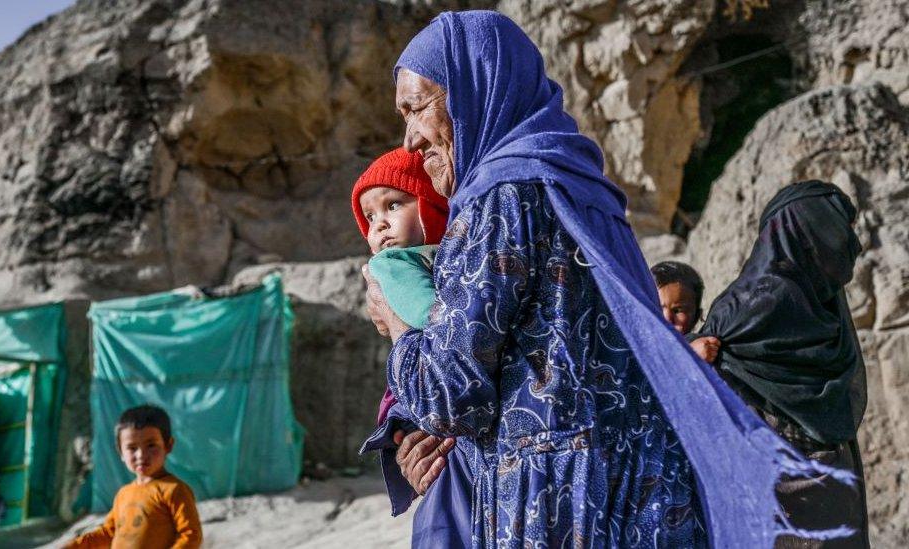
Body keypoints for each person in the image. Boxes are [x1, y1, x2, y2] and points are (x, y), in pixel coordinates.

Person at [362, 11, 858, 548]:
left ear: (473, 88)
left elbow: (450, 394)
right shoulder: (581, 187)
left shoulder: (499, 198)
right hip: (645, 495)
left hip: (557, 502)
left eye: (416, 109)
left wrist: (399, 327)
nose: (410, 140)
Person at [691, 181, 870, 548]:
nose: (854, 243)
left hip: (833, 489)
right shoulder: (745, 309)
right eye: (842, 227)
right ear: (811, 229)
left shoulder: (825, 304)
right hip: (774, 493)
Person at [351, 147, 474, 547]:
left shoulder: (443, 252)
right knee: (445, 495)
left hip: (433, 396)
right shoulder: (395, 263)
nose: (380, 224)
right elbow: (429, 319)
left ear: (429, 205)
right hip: (416, 397)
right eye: (370, 217)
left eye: (394, 205)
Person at [66, 405, 202, 549]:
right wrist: (73, 546)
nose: (141, 455)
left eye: (151, 445)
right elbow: (108, 533)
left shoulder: (173, 490)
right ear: (121, 453)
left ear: (168, 445)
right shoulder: (123, 494)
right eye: (132, 448)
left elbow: (191, 534)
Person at [651, 261, 720, 363]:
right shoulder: (632, 346)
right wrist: (689, 357)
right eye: (658, 308)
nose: (667, 319)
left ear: (697, 316)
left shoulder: (704, 347)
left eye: (677, 310)